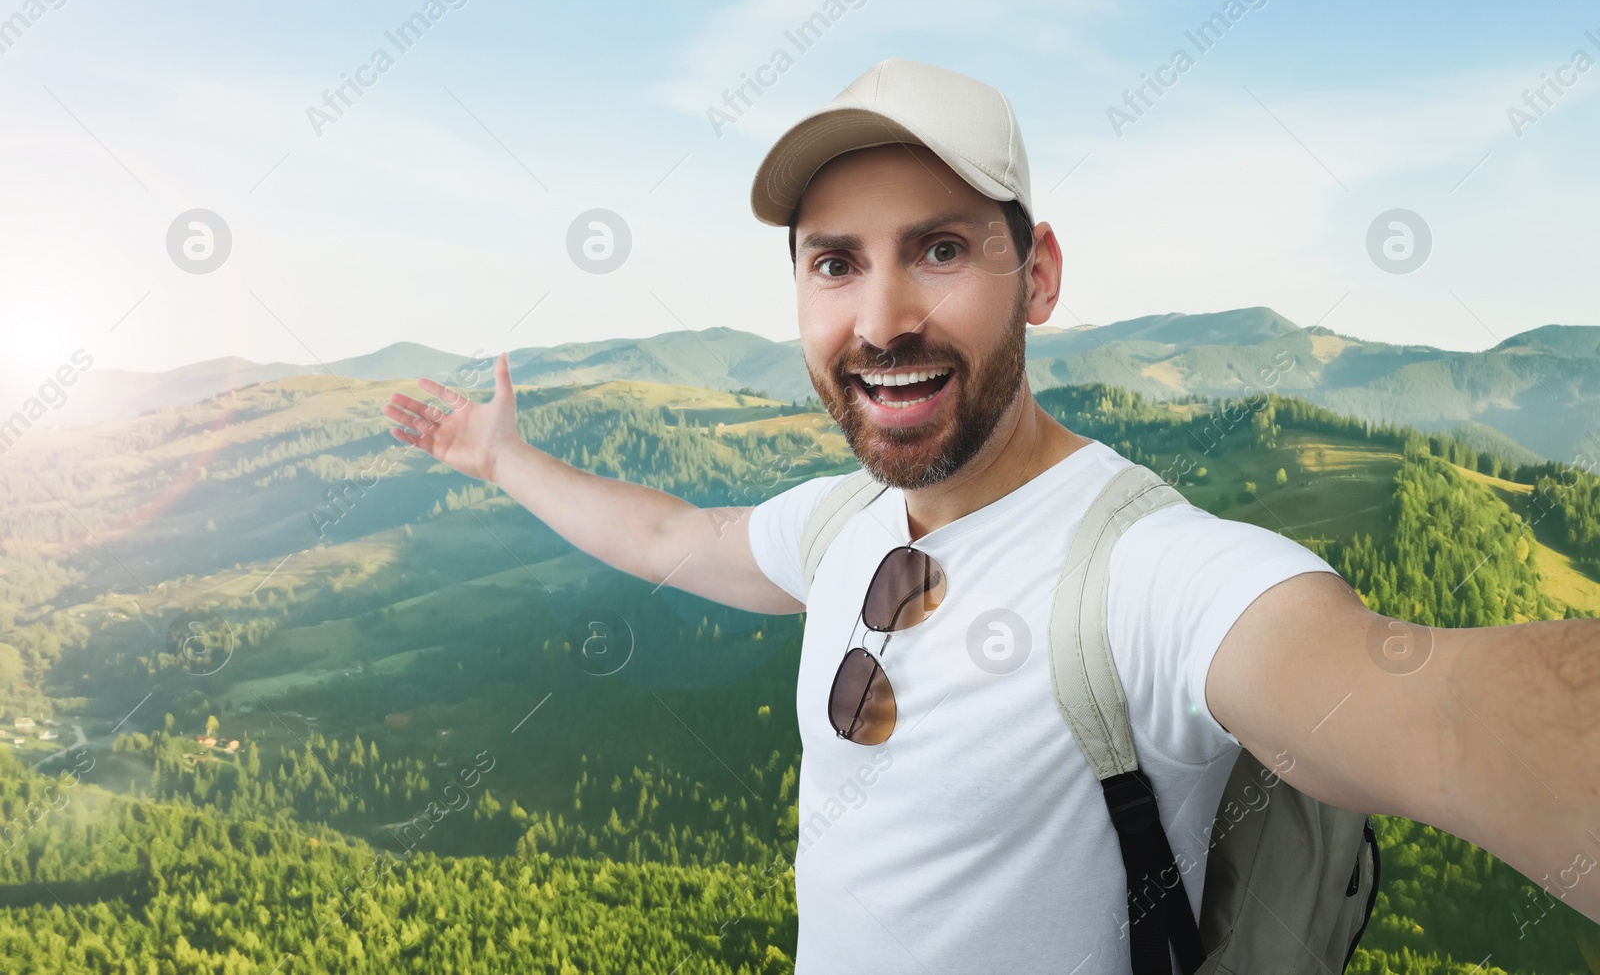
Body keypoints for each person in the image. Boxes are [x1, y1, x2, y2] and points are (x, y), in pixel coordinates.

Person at [384, 58, 1600, 974]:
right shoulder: (841, 522)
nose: (881, 318)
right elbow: (665, 537)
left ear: (1041, 273)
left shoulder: (1145, 576)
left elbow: (1442, 714)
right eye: (835, 262)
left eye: (942, 248)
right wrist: (503, 461)